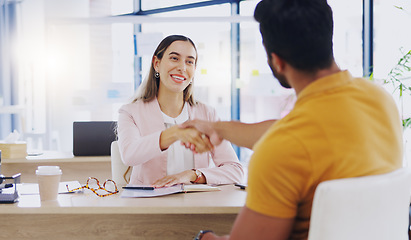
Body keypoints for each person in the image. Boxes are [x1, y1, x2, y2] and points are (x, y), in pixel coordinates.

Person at [184, 0, 403, 239]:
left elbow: (285, 141)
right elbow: (290, 134)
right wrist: (217, 129)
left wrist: (203, 236)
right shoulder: (379, 99)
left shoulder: (283, 148)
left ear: (276, 61)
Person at [116, 35, 244, 188]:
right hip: (148, 204)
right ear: (157, 64)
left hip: (195, 205)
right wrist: (175, 133)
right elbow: (129, 155)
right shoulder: (130, 112)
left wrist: (193, 175)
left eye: (189, 62)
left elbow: (235, 170)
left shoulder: (207, 114)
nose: (182, 68)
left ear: (194, 69)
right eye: (174, 58)